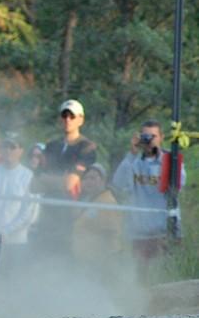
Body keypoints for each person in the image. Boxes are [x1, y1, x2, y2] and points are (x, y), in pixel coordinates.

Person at [112, 119, 186, 266]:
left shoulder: (171, 160)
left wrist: (163, 161)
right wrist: (132, 152)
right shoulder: (133, 161)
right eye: (145, 136)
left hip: (165, 233)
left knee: (165, 279)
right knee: (141, 281)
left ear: (162, 137)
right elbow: (118, 184)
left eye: (153, 136)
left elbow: (179, 185)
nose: (149, 140)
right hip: (139, 234)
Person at [30, 99, 97, 256]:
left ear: (81, 119)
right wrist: (60, 179)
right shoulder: (51, 145)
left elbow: (69, 184)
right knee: (41, 260)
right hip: (47, 213)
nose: (67, 120)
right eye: (64, 116)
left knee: (65, 259)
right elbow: (34, 185)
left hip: (71, 214)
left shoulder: (87, 147)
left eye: (72, 116)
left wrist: (48, 178)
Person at [0, 132, 38, 267]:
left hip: (17, 242)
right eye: (5, 146)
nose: (8, 150)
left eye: (13, 147)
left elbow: (29, 213)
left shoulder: (28, 176)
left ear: (21, 150)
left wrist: (7, 231)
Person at [72, 163, 122, 267]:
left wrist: (102, 263)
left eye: (93, 178)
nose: (88, 181)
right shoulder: (89, 200)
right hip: (87, 260)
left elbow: (109, 234)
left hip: (101, 262)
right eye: (85, 178)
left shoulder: (107, 202)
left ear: (103, 180)